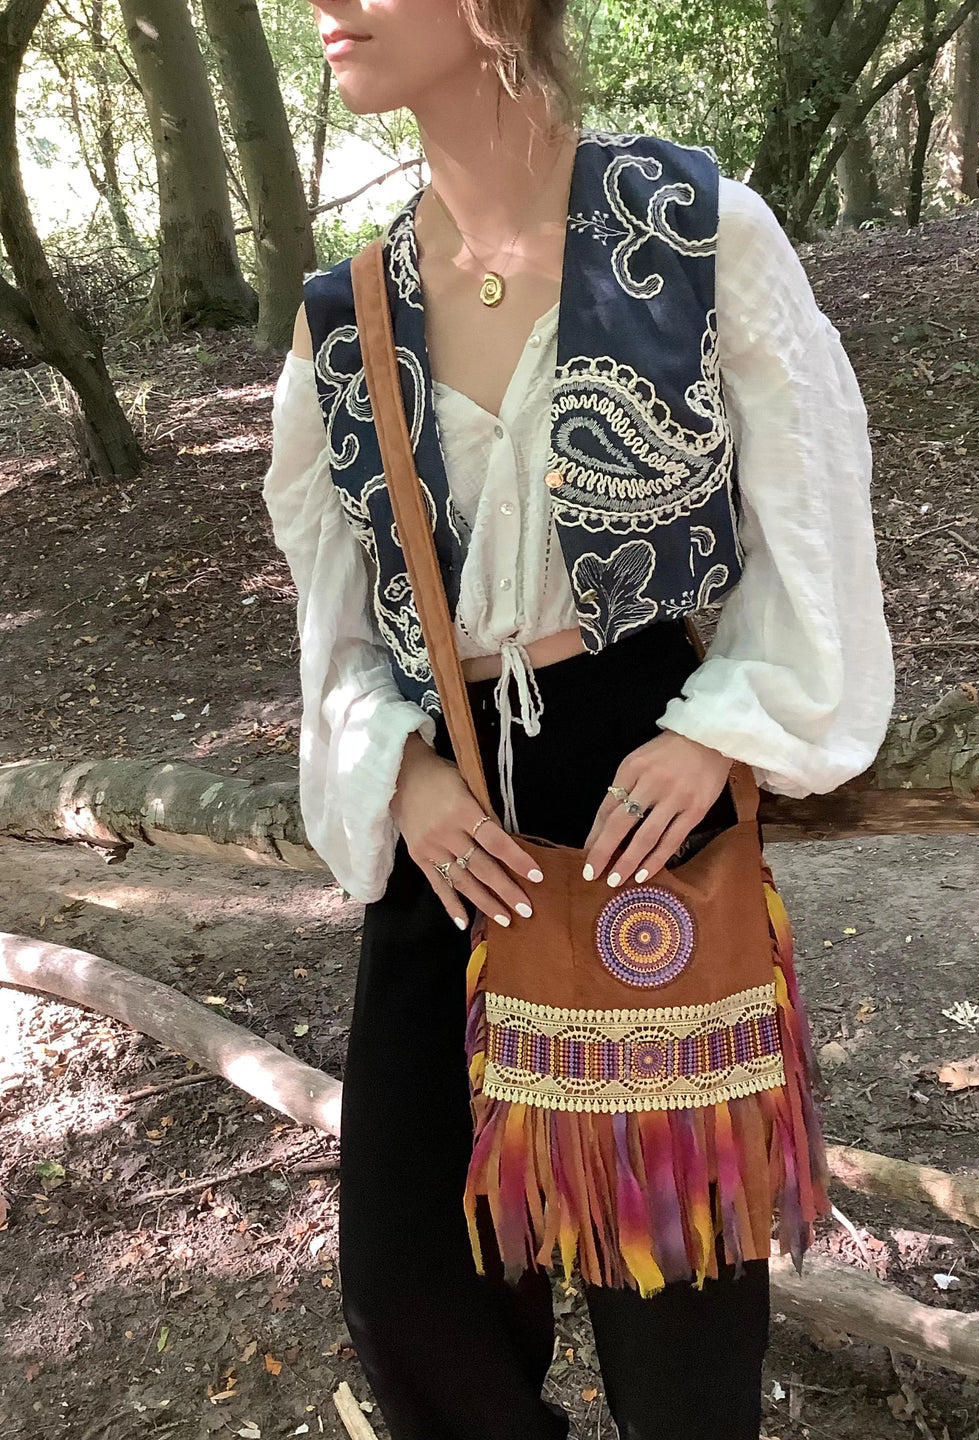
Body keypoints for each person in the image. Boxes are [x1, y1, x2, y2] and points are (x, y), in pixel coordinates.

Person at [262, 3, 895, 1437]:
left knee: (672, 1305)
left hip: (644, 795)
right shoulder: (344, 317)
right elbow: (335, 623)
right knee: (410, 1289)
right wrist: (399, 771)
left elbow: (815, 520)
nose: (325, 3)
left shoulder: (693, 232)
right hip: (451, 827)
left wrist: (727, 725)